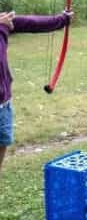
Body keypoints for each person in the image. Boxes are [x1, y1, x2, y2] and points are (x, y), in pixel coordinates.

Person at [0, 10, 73, 173]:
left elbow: (29, 22)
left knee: (2, 142)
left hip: (3, 104)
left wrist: (61, 20)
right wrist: (3, 29)